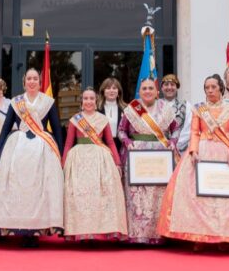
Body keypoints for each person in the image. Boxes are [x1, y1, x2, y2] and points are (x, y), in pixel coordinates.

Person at [159, 74, 229, 247]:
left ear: (220, 88)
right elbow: (195, 132)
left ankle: (225, 236)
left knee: (225, 195)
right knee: (197, 197)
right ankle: (198, 236)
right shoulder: (200, 109)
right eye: (207, 87)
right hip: (202, 150)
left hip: (225, 151)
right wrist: (193, 151)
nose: (210, 90)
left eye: (213, 87)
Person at [0, 67, 64, 245]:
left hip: (42, 148)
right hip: (18, 148)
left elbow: (57, 129)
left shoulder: (48, 102)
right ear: (24, 81)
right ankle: (16, 228)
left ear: (39, 81)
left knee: (38, 190)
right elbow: (6, 128)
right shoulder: (15, 102)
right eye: (29, 79)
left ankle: (35, 231)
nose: (32, 82)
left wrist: (60, 152)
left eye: (35, 78)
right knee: (17, 188)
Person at [118, 77, 179, 244]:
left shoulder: (165, 109)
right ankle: (137, 235)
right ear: (139, 91)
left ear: (157, 91)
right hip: (136, 155)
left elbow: (175, 129)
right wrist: (127, 142)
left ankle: (159, 235)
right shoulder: (132, 108)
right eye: (144, 88)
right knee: (137, 196)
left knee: (158, 195)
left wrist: (172, 142)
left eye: (151, 88)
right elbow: (121, 131)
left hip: (161, 156)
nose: (147, 91)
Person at [62, 87, 126, 241]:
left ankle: (99, 231)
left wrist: (117, 163)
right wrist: (63, 164)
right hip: (78, 160)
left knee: (100, 196)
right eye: (86, 99)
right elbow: (68, 144)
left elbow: (110, 142)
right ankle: (82, 232)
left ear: (96, 101)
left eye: (91, 98)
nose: (89, 101)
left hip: (100, 159)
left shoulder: (103, 120)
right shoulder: (75, 120)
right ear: (81, 102)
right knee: (80, 196)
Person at [97, 78, 126, 155]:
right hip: (102, 146)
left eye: (114, 88)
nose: (111, 91)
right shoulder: (96, 109)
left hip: (120, 146)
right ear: (103, 92)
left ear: (118, 92)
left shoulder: (126, 109)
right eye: (108, 88)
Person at [161, 74, 188, 142]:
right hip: (158, 148)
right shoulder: (156, 105)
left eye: (172, 84)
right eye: (166, 84)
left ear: (177, 87)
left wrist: (175, 144)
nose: (169, 87)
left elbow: (188, 129)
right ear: (162, 88)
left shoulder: (186, 105)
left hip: (180, 147)